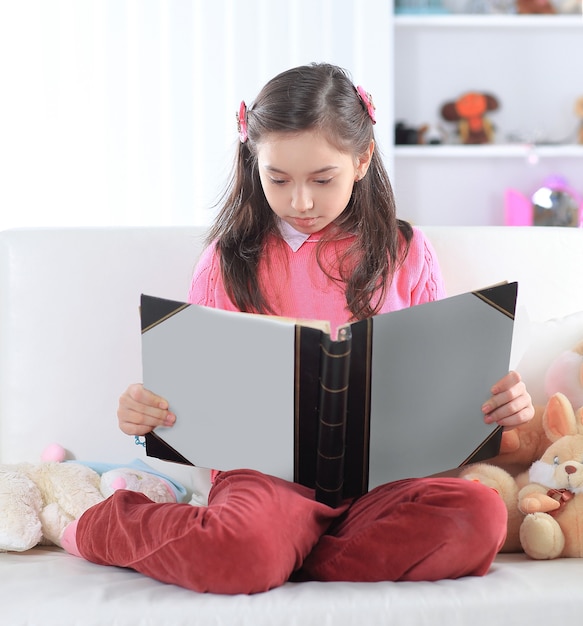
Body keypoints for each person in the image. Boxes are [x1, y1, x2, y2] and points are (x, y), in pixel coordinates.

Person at [61, 63, 534, 594]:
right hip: (265, 482)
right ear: (253, 164)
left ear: (362, 160)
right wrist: (146, 413)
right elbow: (190, 395)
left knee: (480, 516)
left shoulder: (406, 251)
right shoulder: (228, 260)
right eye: (278, 180)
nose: (301, 202)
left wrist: (498, 405)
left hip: (383, 487)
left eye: (322, 179)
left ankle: (280, 556)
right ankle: (117, 524)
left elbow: (442, 380)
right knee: (242, 544)